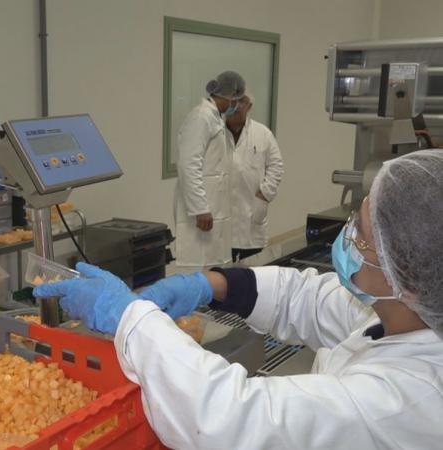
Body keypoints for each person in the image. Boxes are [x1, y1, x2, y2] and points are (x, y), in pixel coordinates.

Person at [34, 150, 443, 449]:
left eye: (362, 239)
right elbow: (308, 298)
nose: (347, 240)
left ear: (407, 280)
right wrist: (213, 285)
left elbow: (226, 417)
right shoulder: (405, 315)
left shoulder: (405, 400)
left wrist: (128, 317)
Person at [175, 70, 245, 267]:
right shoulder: (200, 118)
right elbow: (189, 164)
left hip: (214, 204)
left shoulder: (214, 118)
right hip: (200, 209)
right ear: (229, 96)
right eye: (236, 100)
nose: (236, 105)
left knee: (213, 261)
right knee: (197, 262)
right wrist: (200, 209)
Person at [225, 91, 283, 261]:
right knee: (220, 271)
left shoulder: (263, 134)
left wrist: (264, 194)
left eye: (241, 101)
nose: (236, 106)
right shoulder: (214, 133)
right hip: (220, 216)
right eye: (231, 101)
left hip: (251, 213)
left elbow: (277, 166)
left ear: (249, 106)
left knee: (251, 271)